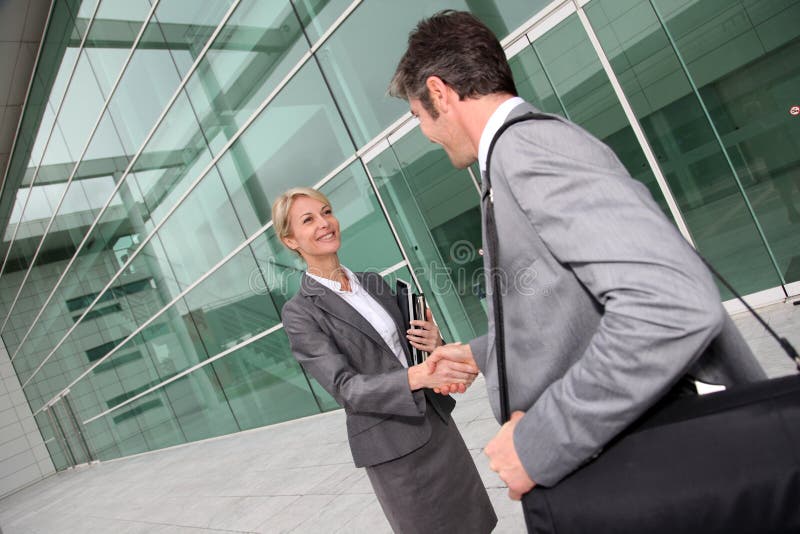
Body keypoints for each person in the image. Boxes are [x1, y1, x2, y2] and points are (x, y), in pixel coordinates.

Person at [389, 8, 766, 512]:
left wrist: (539, 440)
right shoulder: (511, 156)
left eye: (417, 116)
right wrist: (482, 352)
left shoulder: (528, 149)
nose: (426, 134)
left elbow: (670, 305)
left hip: (633, 461)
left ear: (439, 93)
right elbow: (571, 298)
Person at [276, 187, 498, 534]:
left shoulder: (373, 283)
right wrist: (418, 376)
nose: (324, 223)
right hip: (394, 447)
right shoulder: (301, 312)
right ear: (291, 241)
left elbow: (409, 353)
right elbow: (345, 388)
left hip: (437, 426)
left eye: (327, 211)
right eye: (308, 220)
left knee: (477, 524)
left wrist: (432, 340)